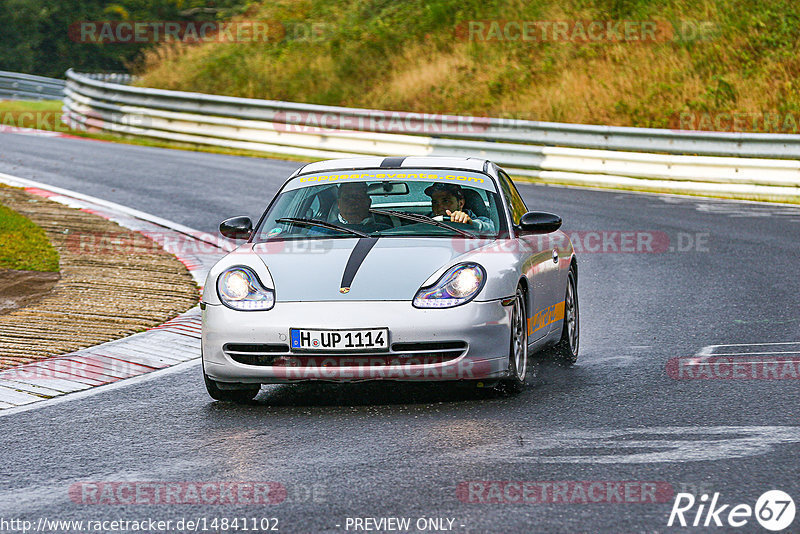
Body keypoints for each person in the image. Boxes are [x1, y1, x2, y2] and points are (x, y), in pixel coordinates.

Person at [424, 183, 495, 233]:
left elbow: (493, 230)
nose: (439, 208)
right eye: (435, 202)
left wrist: (470, 223)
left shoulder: (482, 221)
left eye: (446, 201)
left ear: (461, 203)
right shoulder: (425, 219)